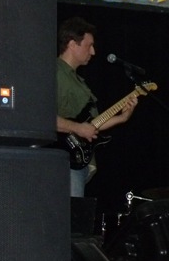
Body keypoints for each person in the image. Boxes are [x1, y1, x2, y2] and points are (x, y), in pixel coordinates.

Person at [56, 17, 138, 197]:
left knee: (76, 212)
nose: (93, 52)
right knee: (71, 213)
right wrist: (78, 128)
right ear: (72, 44)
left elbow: (91, 125)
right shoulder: (55, 73)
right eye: (89, 45)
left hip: (78, 161)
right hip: (62, 160)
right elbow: (40, 117)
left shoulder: (77, 80)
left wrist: (122, 118)